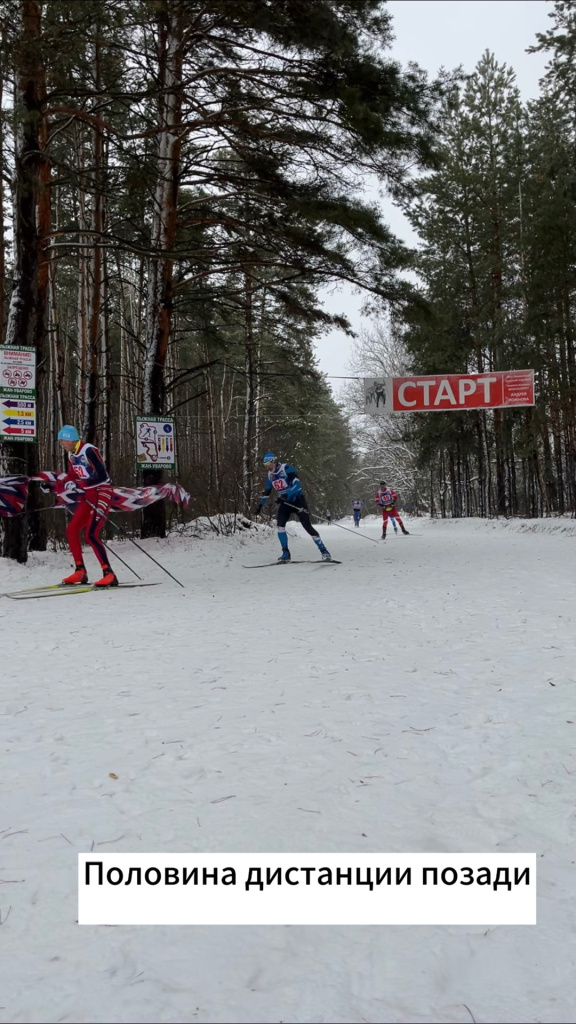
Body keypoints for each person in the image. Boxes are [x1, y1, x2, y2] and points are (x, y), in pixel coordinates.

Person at [56, 425, 118, 587]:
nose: (61, 444)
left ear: (70, 439)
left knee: (91, 534)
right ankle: (80, 571)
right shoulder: (72, 455)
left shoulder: (88, 450)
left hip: (102, 492)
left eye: (62, 440)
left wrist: (82, 483)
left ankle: (108, 573)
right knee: (72, 529)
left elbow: (102, 474)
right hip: (88, 495)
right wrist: (59, 484)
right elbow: (72, 474)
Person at [255, 452, 332, 562]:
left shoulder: (286, 468)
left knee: (307, 526)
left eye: (268, 464)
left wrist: (287, 495)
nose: (267, 467)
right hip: (285, 503)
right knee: (280, 527)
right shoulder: (270, 475)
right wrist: (260, 506)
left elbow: (297, 485)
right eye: (265, 465)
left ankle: (324, 551)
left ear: (273, 462)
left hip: (297, 500)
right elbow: (267, 492)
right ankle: (285, 553)